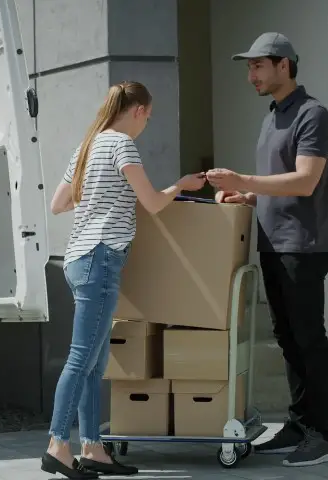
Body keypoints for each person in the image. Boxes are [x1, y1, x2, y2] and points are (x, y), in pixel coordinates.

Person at [42, 81, 206, 479]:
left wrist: (97, 196)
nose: (146, 123)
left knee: (95, 364)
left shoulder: (86, 146)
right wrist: (180, 186)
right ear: (138, 111)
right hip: (100, 259)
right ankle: (57, 445)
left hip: (78, 259)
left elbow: (58, 203)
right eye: (148, 115)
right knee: (82, 359)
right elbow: (152, 202)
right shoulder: (120, 145)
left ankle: (93, 449)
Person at [206, 32, 328, 467]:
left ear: (285, 65)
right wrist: (248, 198)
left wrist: (242, 181)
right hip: (271, 241)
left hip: (303, 244)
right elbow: (277, 186)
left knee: (308, 338)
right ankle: (299, 426)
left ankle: (321, 435)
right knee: (286, 338)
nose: (251, 75)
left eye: (258, 66)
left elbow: (304, 181)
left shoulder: (313, 115)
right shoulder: (271, 118)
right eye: (249, 67)